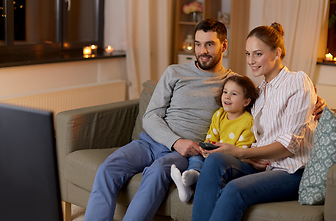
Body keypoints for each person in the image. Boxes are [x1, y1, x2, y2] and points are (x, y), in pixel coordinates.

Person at [83, 19, 234, 221]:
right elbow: (151, 116)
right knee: (107, 169)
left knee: (155, 173)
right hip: (150, 142)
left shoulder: (231, 84)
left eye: (210, 44)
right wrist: (174, 141)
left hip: (186, 153)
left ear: (224, 45)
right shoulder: (175, 72)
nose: (202, 51)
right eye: (198, 44)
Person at [191, 22, 320, 221]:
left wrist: (242, 152)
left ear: (276, 53)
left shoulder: (297, 81)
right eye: (247, 54)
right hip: (261, 166)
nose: (251, 60)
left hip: (290, 171)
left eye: (257, 54)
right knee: (216, 159)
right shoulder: (258, 92)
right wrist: (247, 155)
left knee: (234, 189)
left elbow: (290, 145)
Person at [171, 75, 259, 202]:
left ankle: (193, 182)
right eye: (225, 92)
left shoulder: (248, 122)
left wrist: (215, 153)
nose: (227, 96)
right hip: (213, 154)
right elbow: (211, 138)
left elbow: (241, 152)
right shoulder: (219, 114)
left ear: (246, 102)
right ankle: (192, 177)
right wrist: (206, 149)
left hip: (230, 161)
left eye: (234, 94)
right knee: (196, 155)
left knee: (214, 162)